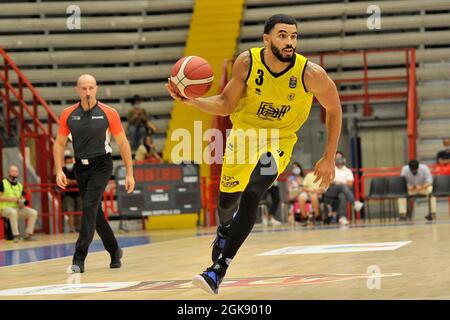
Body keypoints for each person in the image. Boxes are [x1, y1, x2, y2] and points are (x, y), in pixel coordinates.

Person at [166, 14, 342, 294]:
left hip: (279, 140)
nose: (289, 42)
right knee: (226, 203)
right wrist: (193, 100)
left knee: (253, 192)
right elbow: (225, 104)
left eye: (293, 36)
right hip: (244, 136)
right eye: (283, 35)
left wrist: (329, 156)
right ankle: (224, 230)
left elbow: (334, 108)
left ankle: (218, 270)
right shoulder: (247, 63)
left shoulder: (310, 74)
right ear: (267, 39)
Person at [53, 74, 135, 273]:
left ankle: (78, 259)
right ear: (77, 90)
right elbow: (59, 143)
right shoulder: (68, 114)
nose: (87, 92)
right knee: (95, 213)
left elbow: (123, 143)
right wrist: (58, 170)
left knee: (89, 206)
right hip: (81, 167)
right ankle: (114, 250)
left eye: (91, 88)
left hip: (102, 165)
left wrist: (130, 173)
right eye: (83, 88)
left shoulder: (109, 113)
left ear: (96, 88)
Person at [0, 165, 38, 242]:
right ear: (9, 172)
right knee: (13, 212)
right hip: (4, 209)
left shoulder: (20, 185)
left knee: (33, 212)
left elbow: (22, 198)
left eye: (16, 171)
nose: (14, 173)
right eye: (12, 171)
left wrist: (22, 203)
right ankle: (16, 236)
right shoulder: (2, 183)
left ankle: (28, 235)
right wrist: (11, 199)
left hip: (18, 208)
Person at [324, 153, 363, 225]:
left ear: (343, 159)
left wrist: (339, 183)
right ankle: (354, 203)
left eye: (340, 157)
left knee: (342, 195)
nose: (338, 159)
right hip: (330, 192)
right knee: (341, 186)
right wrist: (337, 183)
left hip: (343, 192)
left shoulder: (348, 171)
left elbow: (350, 184)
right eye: (336, 158)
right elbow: (327, 182)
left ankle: (342, 218)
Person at [62, 153, 82, 233]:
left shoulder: (77, 169)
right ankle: (72, 228)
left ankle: (79, 228)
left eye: (70, 162)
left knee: (79, 211)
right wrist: (71, 181)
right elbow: (64, 181)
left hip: (78, 193)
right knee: (70, 211)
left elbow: (80, 180)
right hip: (67, 194)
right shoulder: (63, 170)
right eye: (67, 162)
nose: (69, 164)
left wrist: (71, 181)